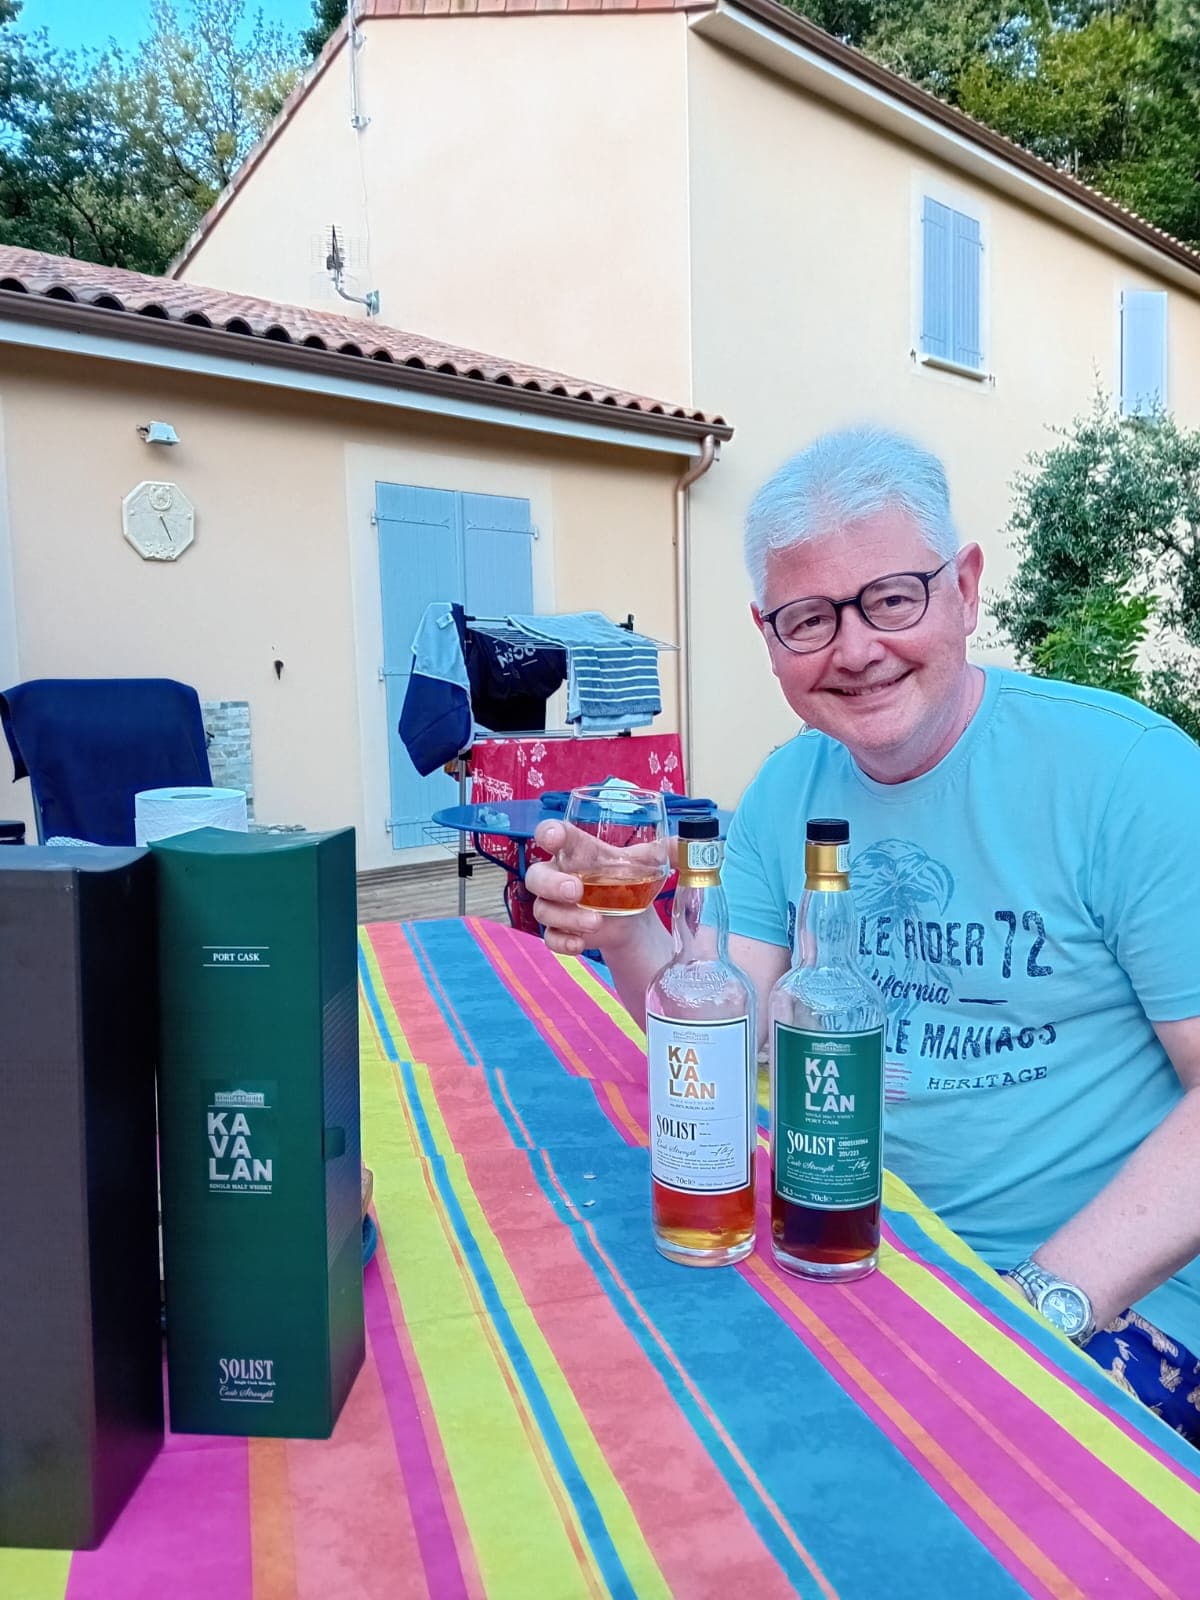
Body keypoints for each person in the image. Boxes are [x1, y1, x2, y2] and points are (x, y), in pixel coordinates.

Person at [527, 424, 1200, 1442]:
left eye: (891, 598)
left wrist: (1041, 1308)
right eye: (808, 617)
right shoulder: (786, 789)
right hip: (851, 1251)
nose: (854, 649)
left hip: (1100, 1297)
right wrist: (625, 928)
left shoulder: (1127, 778)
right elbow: (725, 1021)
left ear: (965, 590)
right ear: (768, 636)